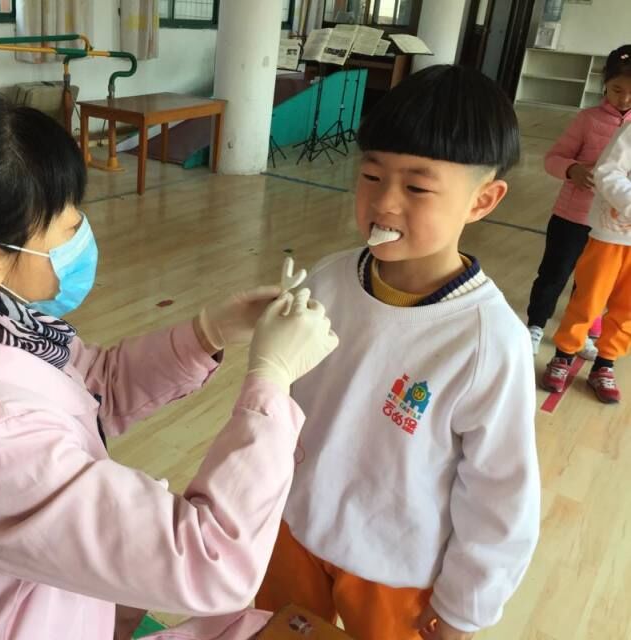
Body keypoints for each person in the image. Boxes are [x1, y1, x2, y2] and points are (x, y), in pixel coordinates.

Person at [0, 93, 339, 640]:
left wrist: (208, 332)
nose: (83, 233)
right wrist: (270, 382)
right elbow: (209, 561)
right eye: (67, 227)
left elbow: (92, 384)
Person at [255, 66, 541, 640]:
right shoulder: (329, 279)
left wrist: (465, 608)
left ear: (483, 200)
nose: (384, 202)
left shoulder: (489, 340)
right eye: (371, 175)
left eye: (417, 187)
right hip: (291, 525)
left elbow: (500, 492)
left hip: (394, 567)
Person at [527, 44, 631, 357]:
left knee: (590, 285)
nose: (624, 99)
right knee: (554, 274)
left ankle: (580, 331)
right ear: (605, 83)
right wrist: (572, 169)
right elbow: (553, 158)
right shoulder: (587, 119)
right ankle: (535, 326)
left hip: (609, 228)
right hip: (571, 216)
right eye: (617, 90)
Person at [544, 120, 631, 403]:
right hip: (611, 235)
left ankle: (604, 365)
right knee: (588, 300)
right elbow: (607, 172)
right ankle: (563, 356)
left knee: (627, 310)